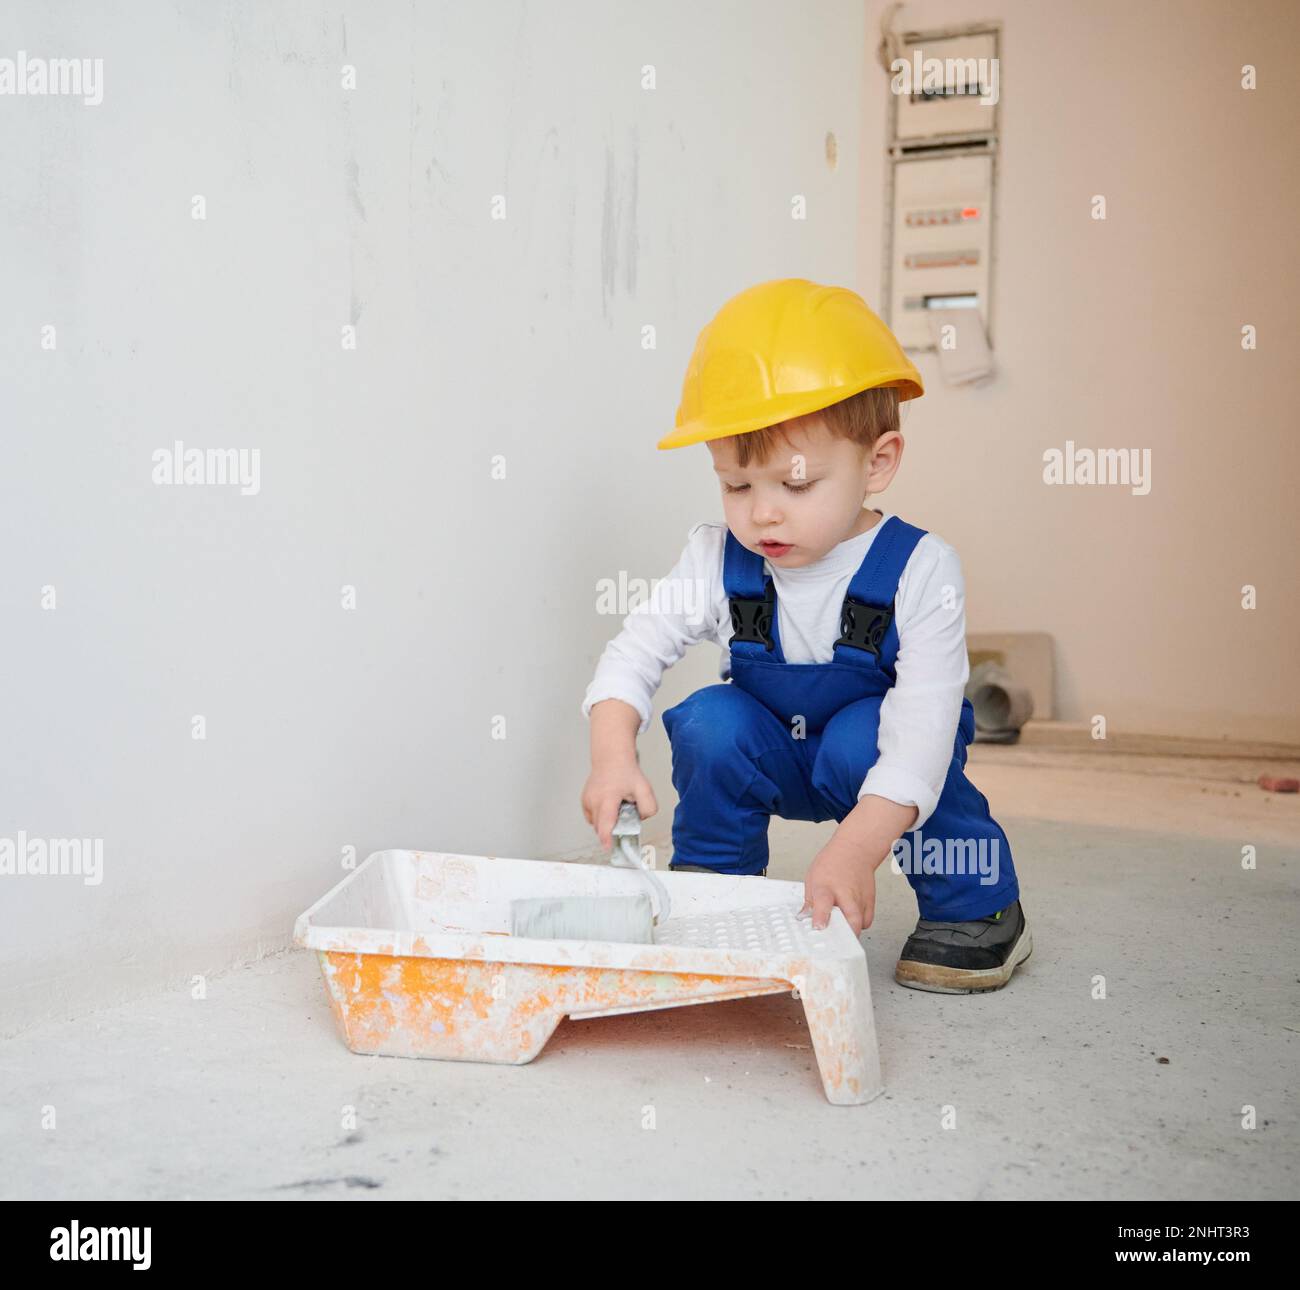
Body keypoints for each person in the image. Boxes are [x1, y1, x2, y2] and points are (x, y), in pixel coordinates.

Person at [581, 278, 1030, 993]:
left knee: (874, 736)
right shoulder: (715, 559)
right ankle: (714, 884)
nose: (762, 516)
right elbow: (631, 656)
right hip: (778, 754)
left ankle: (976, 907)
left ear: (876, 463)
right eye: (736, 485)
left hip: (881, 763)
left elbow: (920, 735)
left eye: (795, 486)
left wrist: (854, 850)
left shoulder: (921, 568)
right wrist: (611, 756)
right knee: (710, 719)